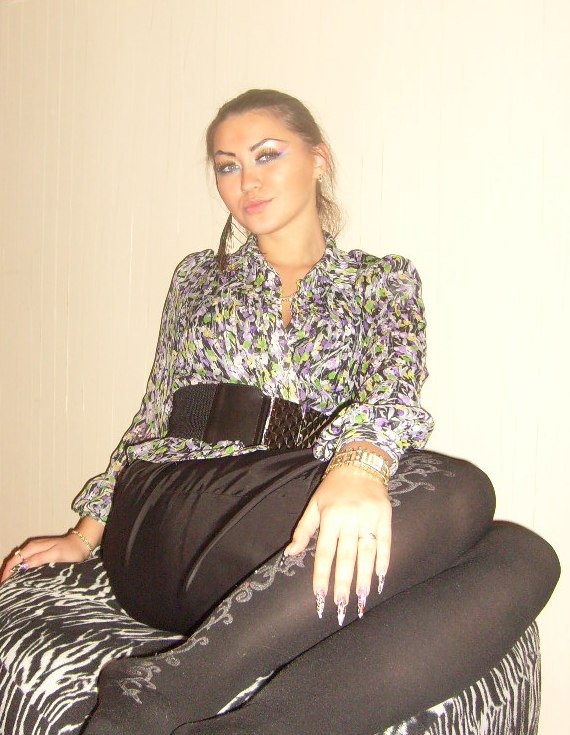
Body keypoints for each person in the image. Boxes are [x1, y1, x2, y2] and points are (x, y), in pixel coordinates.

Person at [0, 89, 559, 735]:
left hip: (282, 529)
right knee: (461, 485)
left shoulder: (381, 279)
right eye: (227, 165)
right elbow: (155, 411)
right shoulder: (198, 277)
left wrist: (358, 465)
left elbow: (394, 387)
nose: (247, 180)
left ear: (318, 159)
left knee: (525, 554)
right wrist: (85, 533)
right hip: (173, 509)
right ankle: (161, 691)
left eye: (267, 155)